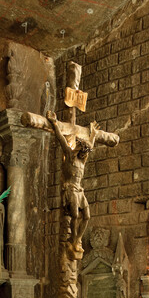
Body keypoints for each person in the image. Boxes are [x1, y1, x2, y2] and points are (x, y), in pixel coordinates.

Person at [47, 110, 100, 259]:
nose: (84, 154)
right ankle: (73, 239)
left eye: (85, 153)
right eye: (83, 152)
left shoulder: (82, 161)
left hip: (79, 190)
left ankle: (77, 239)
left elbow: (90, 146)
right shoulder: (70, 157)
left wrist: (93, 134)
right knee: (75, 215)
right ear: (78, 150)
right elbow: (60, 139)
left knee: (87, 216)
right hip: (70, 189)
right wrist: (54, 123)